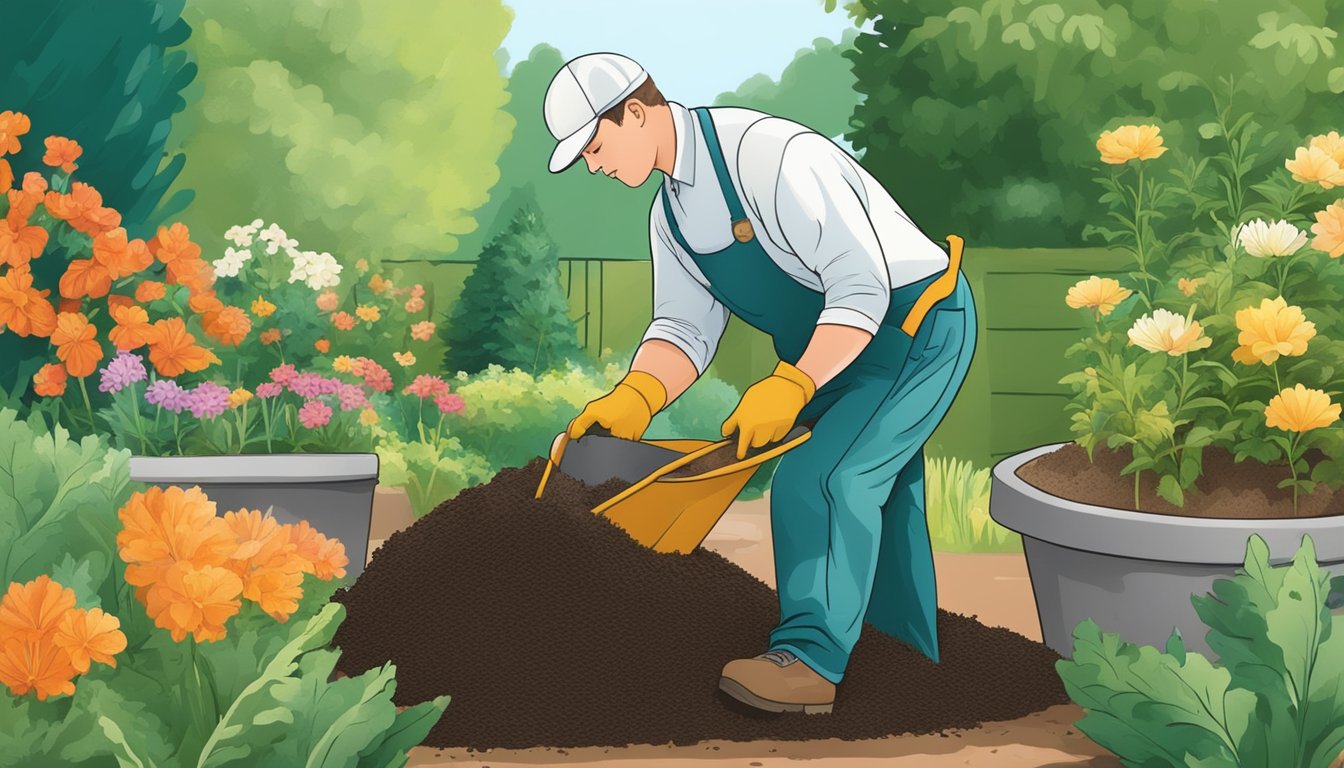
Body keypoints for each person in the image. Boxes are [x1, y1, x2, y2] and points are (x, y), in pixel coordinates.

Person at [544, 52, 977, 714]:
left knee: (825, 478)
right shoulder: (674, 218)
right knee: (879, 489)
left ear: (636, 111)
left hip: (914, 324)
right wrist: (637, 397)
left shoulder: (769, 157)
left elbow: (859, 285)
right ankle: (903, 656)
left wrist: (793, 384)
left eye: (596, 147)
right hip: (832, 349)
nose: (595, 166)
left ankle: (808, 661)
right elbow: (683, 329)